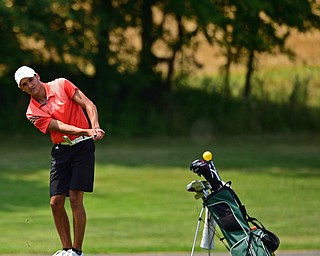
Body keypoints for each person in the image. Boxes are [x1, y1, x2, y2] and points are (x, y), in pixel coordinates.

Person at [14, 66, 105, 256]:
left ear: (37, 76)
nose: (30, 85)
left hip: (83, 148)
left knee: (75, 197)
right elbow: (60, 127)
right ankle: (66, 249)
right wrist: (87, 131)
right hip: (61, 151)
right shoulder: (32, 112)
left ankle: (76, 251)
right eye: (24, 84)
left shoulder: (61, 84)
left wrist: (95, 126)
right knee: (55, 202)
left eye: (30, 80)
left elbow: (89, 105)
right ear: (21, 89)